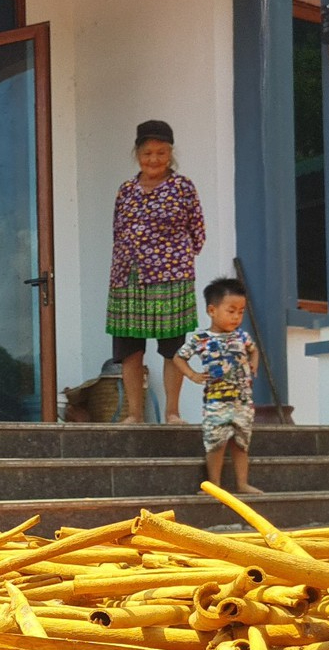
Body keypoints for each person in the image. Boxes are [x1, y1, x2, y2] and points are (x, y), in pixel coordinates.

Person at [106, 119, 206, 424]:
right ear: (137, 153)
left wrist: (173, 259)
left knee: (172, 348)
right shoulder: (126, 190)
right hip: (128, 278)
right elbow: (117, 231)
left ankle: (173, 412)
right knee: (130, 351)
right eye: (148, 152)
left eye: (161, 153)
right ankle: (135, 414)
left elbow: (197, 232)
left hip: (170, 278)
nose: (154, 159)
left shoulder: (182, 187)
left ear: (170, 153)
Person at [175, 277, 262, 493]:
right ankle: (214, 485)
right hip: (216, 401)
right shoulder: (200, 338)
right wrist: (193, 375)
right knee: (216, 443)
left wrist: (253, 365)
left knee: (241, 444)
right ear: (212, 310)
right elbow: (179, 357)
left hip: (242, 401)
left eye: (241, 312)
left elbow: (254, 350)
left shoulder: (242, 336)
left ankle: (242, 483)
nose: (236, 317)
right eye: (231, 311)